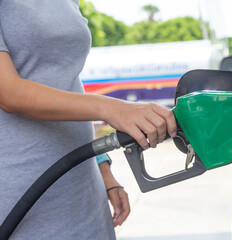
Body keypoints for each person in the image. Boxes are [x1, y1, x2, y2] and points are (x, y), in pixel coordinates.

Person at [0, 0, 177, 239]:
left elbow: (67, 81)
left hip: (82, 185)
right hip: (23, 194)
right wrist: (112, 108)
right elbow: (8, 93)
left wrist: (103, 168)